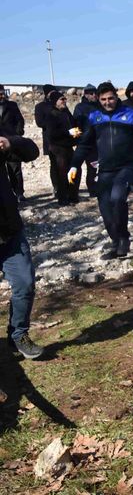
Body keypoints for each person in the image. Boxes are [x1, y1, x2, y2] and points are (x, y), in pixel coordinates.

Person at [69, 82, 133, 259]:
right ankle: (115, 241)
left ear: (116, 97)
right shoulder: (94, 117)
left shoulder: (131, 115)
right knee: (105, 208)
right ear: (98, 99)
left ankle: (124, 239)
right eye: (103, 99)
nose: (107, 102)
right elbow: (84, 144)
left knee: (117, 199)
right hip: (105, 169)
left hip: (127, 167)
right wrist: (74, 165)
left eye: (110, 98)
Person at [0, 131, 44, 359]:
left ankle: (18, 334)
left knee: (25, 284)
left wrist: (9, 143)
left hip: (9, 234)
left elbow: (31, 151)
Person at [43, 92, 81, 205]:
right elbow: (51, 134)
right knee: (62, 174)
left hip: (69, 147)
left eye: (65, 99)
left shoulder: (66, 112)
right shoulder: (51, 115)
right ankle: (63, 198)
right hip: (58, 148)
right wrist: (68, 132)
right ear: (55, 102)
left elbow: (73, 125)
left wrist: (77, 132)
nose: (64, 101)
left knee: (75, 171)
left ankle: (73, 196)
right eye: (61, 99)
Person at [0, 85, 26, 203]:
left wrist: (17, 134)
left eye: (2, 93)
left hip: (11, 142)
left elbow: (20, 120)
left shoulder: (12, 105)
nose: (1, 95)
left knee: (15, 169)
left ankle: (19, 193)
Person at [72, 84, 99, 196]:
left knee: (93, 169)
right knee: (75, 167)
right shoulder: (80, 107)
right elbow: (75, 125)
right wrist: (78, 139)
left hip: (96, 143)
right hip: (83, 144)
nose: (94, 95)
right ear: (86, 95)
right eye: (91, 93)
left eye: (95, 93)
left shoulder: (99, 106)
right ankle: (73, 192)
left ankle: (93, 191)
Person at [34, 84, 59, 195]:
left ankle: (68, 187)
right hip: (50, 140)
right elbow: (39, 122)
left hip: (64, 141)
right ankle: (56, 187)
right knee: (54, 165)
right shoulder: (40, 106)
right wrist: (54, 123)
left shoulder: (60, 104)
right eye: (51, 92)